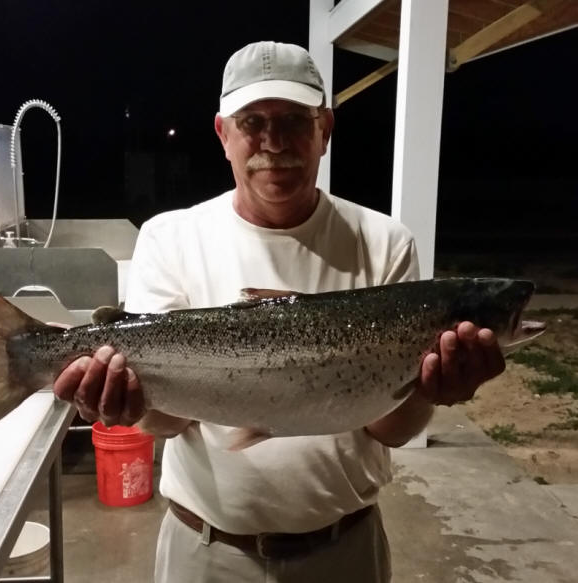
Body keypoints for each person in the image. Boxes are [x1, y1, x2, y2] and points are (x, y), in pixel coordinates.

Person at [53, 41, 505, 582]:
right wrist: (129, 404)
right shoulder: (170, 237)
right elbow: (168, 422)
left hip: (345, 551)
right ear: (223, 134)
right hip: (205, 553)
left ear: (325, 130)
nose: (274, 142)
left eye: (294, 120)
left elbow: (388, 430)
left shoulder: (385, 242)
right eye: (253, 122)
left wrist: (432, 390)